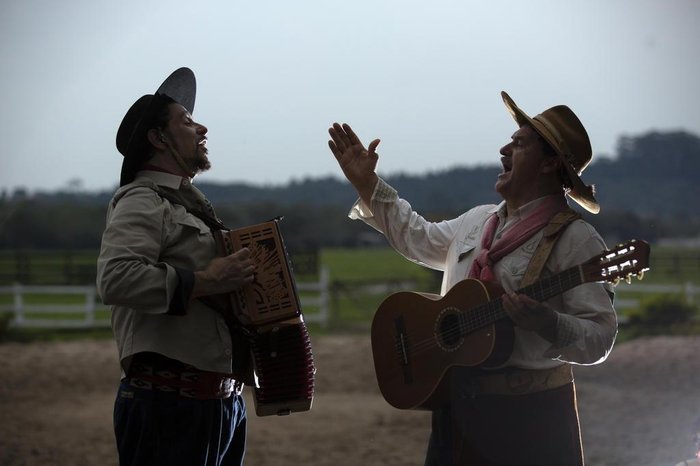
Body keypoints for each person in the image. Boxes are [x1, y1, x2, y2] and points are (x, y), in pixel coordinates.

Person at [327, 91, 618, 465]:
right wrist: (368, 185)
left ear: (549, 165)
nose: (504, 149)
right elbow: (418, 238)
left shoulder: (576, 239)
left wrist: (550, 324)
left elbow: (600, 336)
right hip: (458, 411)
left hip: (531, 419)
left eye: (519, 143)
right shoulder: (479, 220)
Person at [97, 67, 254, 466]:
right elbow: (116, 278)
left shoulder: (189, 204)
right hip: (169, 407)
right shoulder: (141, 200)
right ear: (158, 138)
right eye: (186, 121)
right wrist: (206, 279)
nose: (201, 128)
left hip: (216, 404)